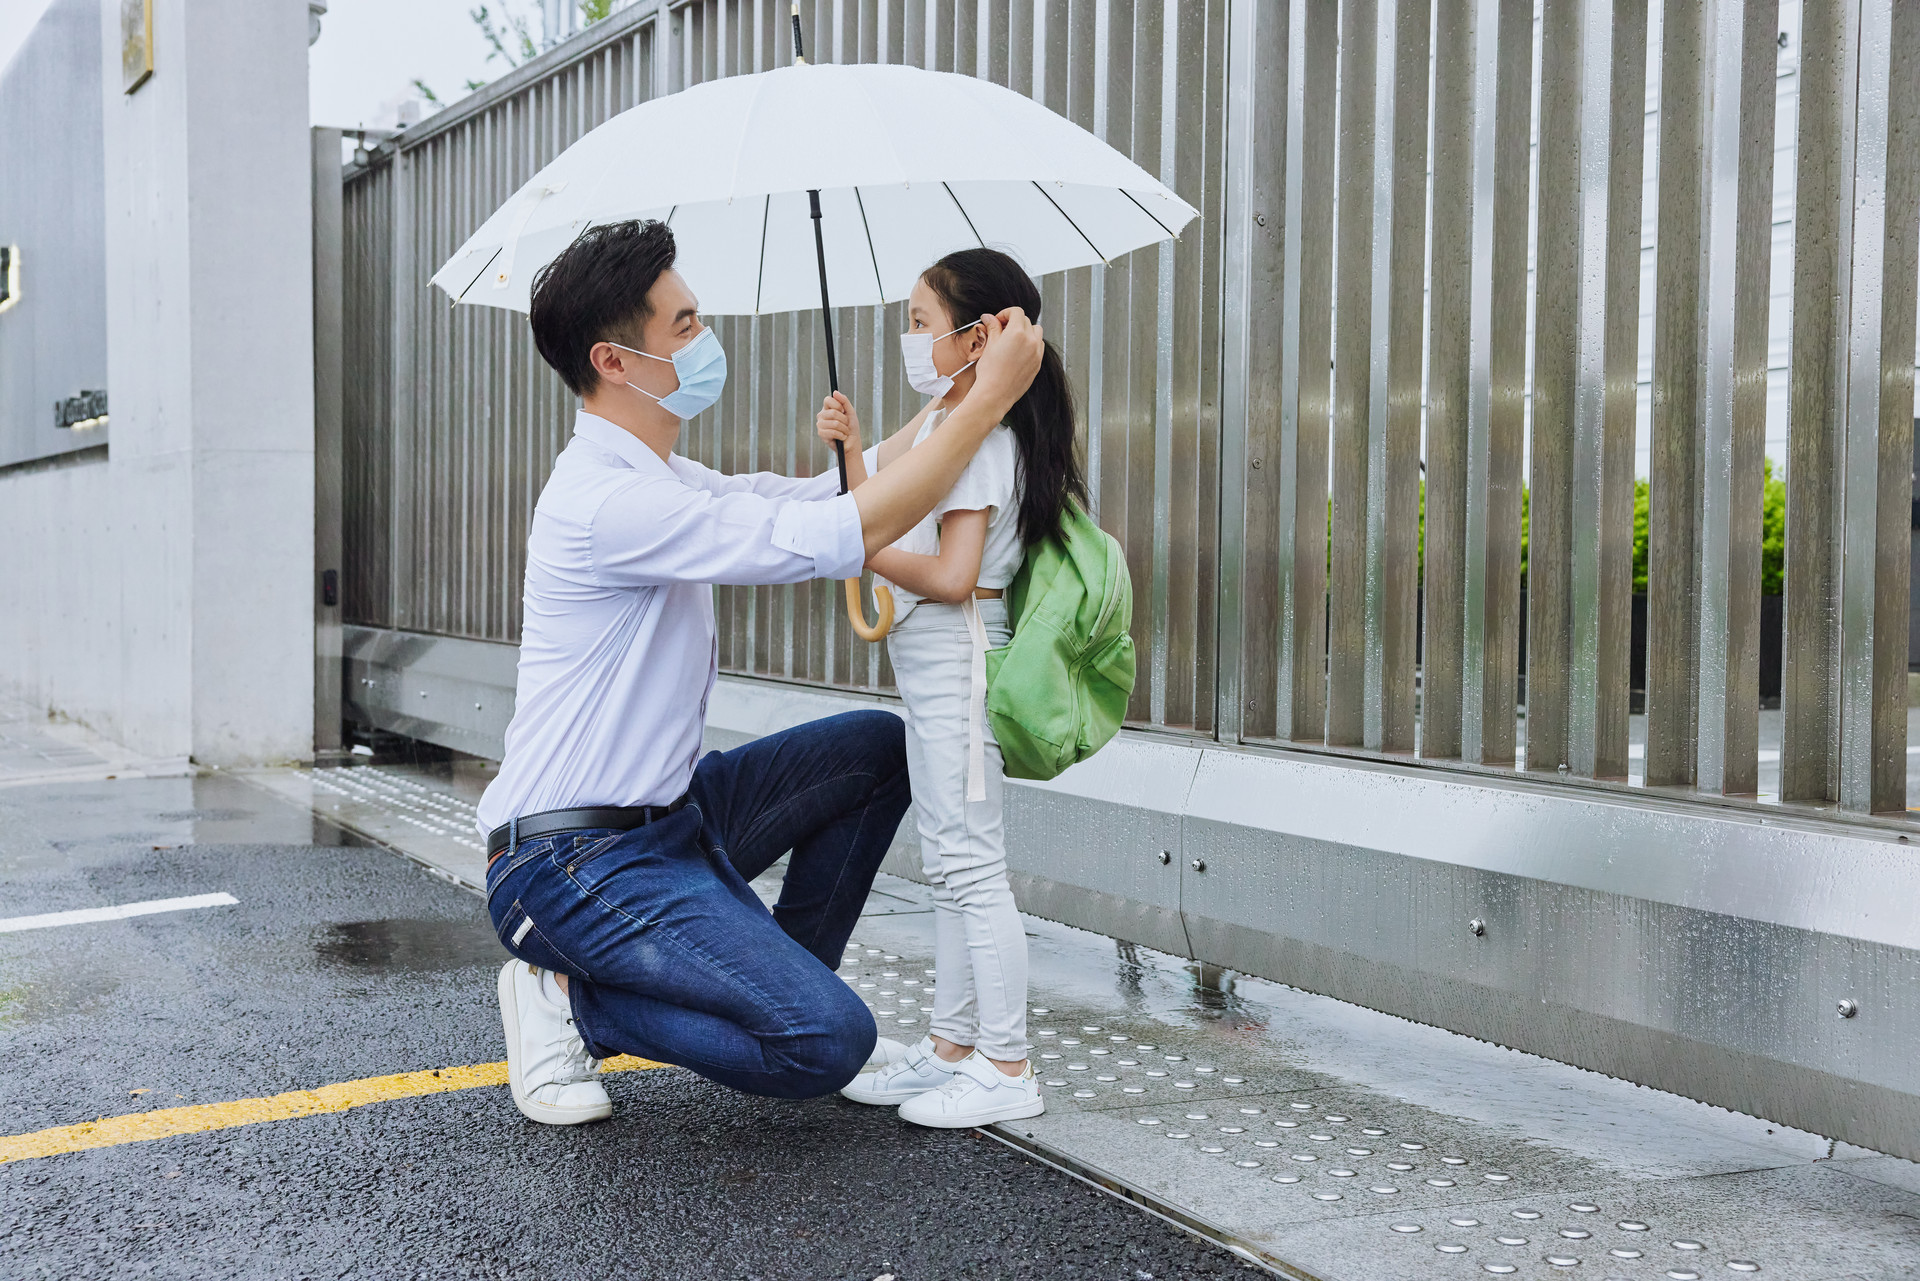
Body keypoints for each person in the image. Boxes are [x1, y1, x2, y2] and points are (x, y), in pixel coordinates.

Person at [478, 219, 1044, 1125]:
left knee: (874, 749)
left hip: (674, 824)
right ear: (614, 360)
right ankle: (567, 1000)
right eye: (686, 326)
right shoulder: (610, 503)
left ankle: (763, 985)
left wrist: (949, 407)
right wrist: (984, 405)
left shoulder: (664, 475)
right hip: (570, 860)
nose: (707, 342)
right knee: (828, 1044)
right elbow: (841, 534)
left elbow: (816, 496)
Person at [813, 248, 1086, 1128]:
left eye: (923, 321)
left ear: (979, 337)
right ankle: (951, 1048)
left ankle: (1008, 1065)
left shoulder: (982, 437)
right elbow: (874, 496)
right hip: (931, 659)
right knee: (949, 861)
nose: (911, 336)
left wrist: (858, 549)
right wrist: (851, 447)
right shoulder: (943, 419)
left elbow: (956, 573)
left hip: (959, 654)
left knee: (971, 863)